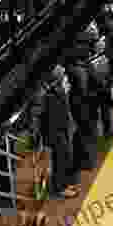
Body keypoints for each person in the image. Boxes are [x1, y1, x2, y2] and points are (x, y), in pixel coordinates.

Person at [29, 64, 81, 199]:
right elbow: (37, 114)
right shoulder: (44, 94)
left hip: (62, 129)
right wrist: (35, 135)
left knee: (64, 158)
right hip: (53, 132)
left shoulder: (57, 89)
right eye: (62, 75)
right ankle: (60, 188)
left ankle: (63, 183)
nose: (65, 77)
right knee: (61, 159)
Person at [64, 26, 101, 171]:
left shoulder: (76, 67)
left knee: (82, 132)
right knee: (86, 132)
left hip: (80, 104)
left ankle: (83, 160)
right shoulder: (83, 68)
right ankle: (85, 161)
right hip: (85, 104)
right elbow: (88, 86)